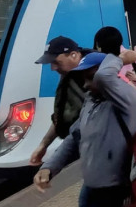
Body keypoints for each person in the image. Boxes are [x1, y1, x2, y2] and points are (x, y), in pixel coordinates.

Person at [34, 51, 136, 207]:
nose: (85, 85)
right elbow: (74, 137)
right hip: (90, 188)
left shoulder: (126, 99)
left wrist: (120, 59)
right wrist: (50, 167)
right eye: (83, 78)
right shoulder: (91, 101)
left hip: (115, 191)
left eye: (91, 77)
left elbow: (104, 77)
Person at [30, 36, 92, 166]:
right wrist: (44, 145)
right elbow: (62, 115)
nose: (53, 68)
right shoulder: (68, 77)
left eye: (56, 62)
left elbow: (81, 124)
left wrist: (53, 162)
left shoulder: (95, 77)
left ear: (74, 55)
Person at [93, 26, 136, 92]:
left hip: (135, 100)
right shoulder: (100, 60)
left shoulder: (135, 56)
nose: (97, 48)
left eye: (98, 45)